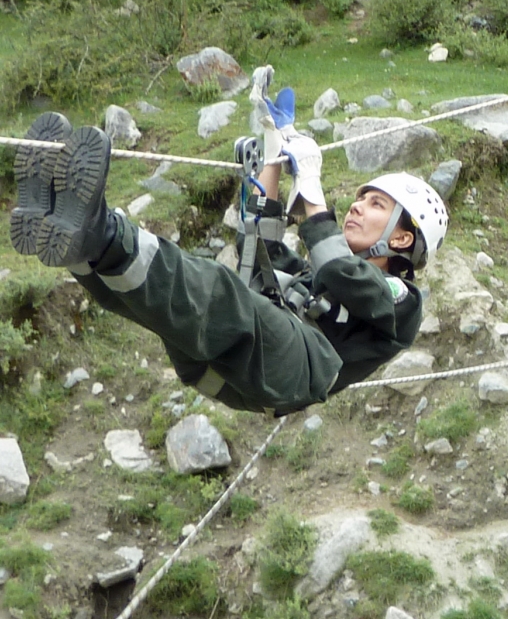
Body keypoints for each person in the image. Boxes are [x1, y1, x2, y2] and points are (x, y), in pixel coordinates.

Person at [7, 70, 448, 415]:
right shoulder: (319, 275)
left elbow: (342, 272)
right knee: (181, 277)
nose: (356, 207)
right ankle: (85, 252)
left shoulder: (403, 302)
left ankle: (101, 230)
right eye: (358, 199)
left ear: (403, 237)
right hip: (228, 363)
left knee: (219, 290)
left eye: (374, 204)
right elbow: (262, 252)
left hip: (292, 370)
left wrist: (312, 193)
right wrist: (272, 153)